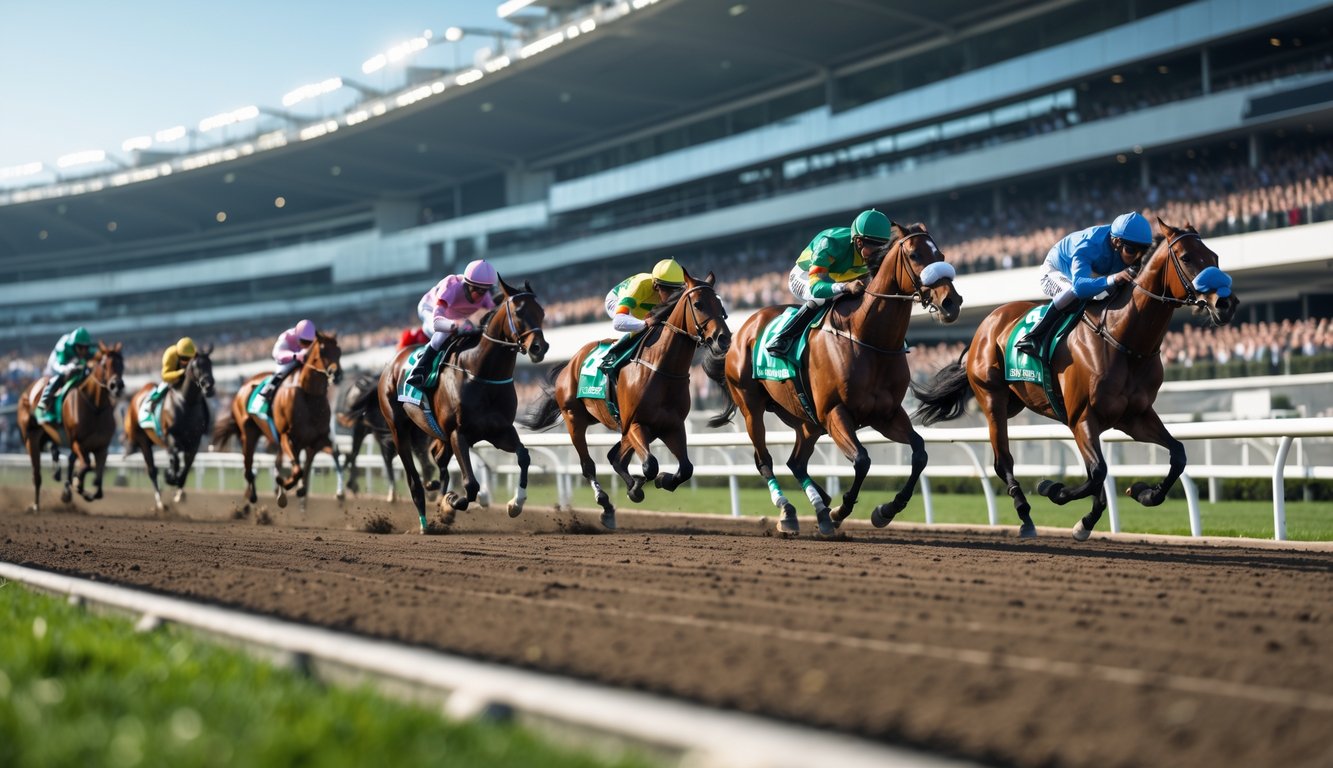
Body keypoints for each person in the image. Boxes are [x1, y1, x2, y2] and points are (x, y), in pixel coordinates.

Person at [1014, 211, 1153, 357]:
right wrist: (1113, 279)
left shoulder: (1122, 245)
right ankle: (1033, 337)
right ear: (1117, 242)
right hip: (1056, 271)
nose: (1137, 258)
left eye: (1142, 252)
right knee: (1073, 293)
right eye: (1131, 251)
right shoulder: (1089, 244)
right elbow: (1080, 287)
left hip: (1092, 273)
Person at [765, 209, 888, 356]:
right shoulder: (830, 243)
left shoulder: (877, 245)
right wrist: (846, 286)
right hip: (806, 276)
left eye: (881, 247)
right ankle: (783, 337)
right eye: (873, 248)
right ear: (859, 242)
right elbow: (816, 288)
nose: (878, 254)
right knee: (822, 297)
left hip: (839, 276)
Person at [404, 259, 497, 390]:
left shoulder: (486, 296)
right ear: (468, 284)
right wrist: (457, 325)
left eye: (486, 290)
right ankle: (420, 371)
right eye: (478, 290)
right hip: (430, 309)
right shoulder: (452, 286)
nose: (481, 295)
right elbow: (437, 323)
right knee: (444, 332)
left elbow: (497, 313)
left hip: (453, 317)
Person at [599, 258, 686, 372]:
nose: (672, 295)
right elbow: (618, 322)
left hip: (645, 306)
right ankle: (613, 356)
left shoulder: (682, 288)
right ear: (656, 286)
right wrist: (645, 323)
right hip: (617, 300)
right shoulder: (641, 285)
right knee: (640, 328)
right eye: (668, 290)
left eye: (676, 290)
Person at [38, 326, 95, 417]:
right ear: (74, 345)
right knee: (61, 376)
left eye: (86, 347)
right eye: (80, 347)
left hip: (75, 363)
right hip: (57, 364)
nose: (84, 351)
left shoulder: (89, 350)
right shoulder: (64, 345)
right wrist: (69, 368)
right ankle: (45, 400)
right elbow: (59, 365)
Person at [258, 320, 316, 405]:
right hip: (288, 361)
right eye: (304, 342)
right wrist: (294, 355)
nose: (306, 346)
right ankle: (268, 390)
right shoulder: (287, 336)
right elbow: (276, 353)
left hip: (304, 359)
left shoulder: (315, 338)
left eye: (308, 343)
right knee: (284, 370)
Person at [154, 337, 196, 402]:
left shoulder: (192, 352)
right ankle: (152, 403)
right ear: (178, 354)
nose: (186, 362)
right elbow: (164, 376)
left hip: (187, 378)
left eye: (189, 358)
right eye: (184, 358)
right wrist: (180, 373)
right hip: (172, 380)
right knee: (161, 390)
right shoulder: (169, 354)